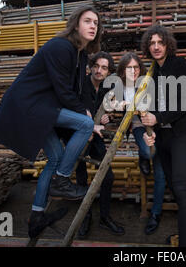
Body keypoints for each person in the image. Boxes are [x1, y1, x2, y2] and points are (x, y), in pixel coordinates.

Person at [0, 5, 104, 238]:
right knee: (84, 125)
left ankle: (37, 215)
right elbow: (63, 90)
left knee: (55, 157)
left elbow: (74, 90)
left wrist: (86, 111)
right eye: (87, 21)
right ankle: (61, 181)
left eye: (96, 23)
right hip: (28, 105)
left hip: (44, 109)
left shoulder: (80, 55)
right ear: (75, 24)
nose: (93, 25)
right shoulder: (61, 47)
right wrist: (85, 116)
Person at [140, 25, 186, 246]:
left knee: (183, 188)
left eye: (160, 43)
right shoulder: (152, 71)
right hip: (162, 138)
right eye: (152, 43)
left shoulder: (179, 65)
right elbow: (152, 106)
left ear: (167, 44)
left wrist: (158, 119)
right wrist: (150, 131)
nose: (155, 47)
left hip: (181, 135)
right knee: (174, 186)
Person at [69, 51, 125, 238]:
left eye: (104, 68)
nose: (99, 70)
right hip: (77, 136)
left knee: (107, 177)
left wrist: (105, 119)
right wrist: (90, 125)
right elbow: (71, 111)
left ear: (108, 72)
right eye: (96, 66)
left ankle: (105, 217)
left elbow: (102, 115)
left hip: (95, 136)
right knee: (82, 178)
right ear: (91, 66)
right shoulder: (79, 84)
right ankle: (85, 217)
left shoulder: (105, 89)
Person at [115, 52, 166, 235]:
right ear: (123, 70)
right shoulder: (119, 85)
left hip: (156, 125)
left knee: (161, 174)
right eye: (129, 67)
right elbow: (111, 102)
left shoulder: (148, 82)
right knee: (149, 152)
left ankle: (155, 214)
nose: (133, 70)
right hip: (138, 126)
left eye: (136, 67)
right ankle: (143, 156)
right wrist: (119, 104)